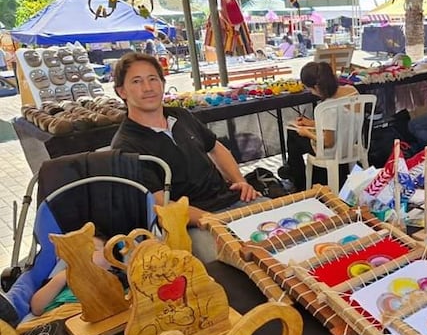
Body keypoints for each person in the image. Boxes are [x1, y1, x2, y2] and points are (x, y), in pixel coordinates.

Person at [110, 52, 260, 263]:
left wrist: (240, 181)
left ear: (162, 83)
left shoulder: (180, 116)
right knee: (236, 264)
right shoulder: (126, 145)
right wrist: (208, 220)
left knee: (290, 232)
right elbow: (161, 203)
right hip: (189, 223)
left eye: (153, 79)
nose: (148, 88)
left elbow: (215, 147)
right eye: (137, 81)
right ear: (122, 91)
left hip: (230, 201)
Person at [278, 61, 359, 190]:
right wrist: (311, 123)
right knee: (297, 132)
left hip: (332, 150)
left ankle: (299, 182)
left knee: (293, 134)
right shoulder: (352, 92)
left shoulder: (326, 107)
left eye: (309, 89)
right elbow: (343, 122)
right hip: (350, 143)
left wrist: (307, 132)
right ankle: (297, 173)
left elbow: (328, 142)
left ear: (316, 87)